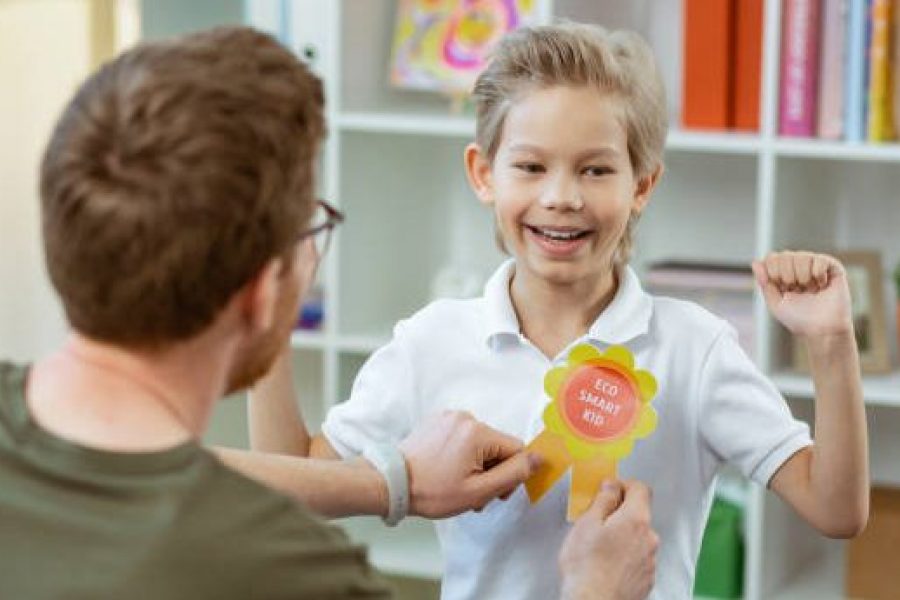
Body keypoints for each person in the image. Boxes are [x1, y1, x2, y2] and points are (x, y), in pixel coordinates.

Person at [0, 25, 659, 600]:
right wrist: (595, 591)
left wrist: (391, 484)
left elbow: (163, 469)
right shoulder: (301, 577)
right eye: (308, 228)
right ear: (264, 294)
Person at [244, 22, 870, 599]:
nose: (562, 197)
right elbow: (296, 483)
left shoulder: (695, 347)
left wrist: (832, 344)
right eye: (531, 166)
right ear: (484, 173)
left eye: (596, 169)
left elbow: (836, 511)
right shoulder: (431, 341)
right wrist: (270, 314)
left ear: (643, 185)